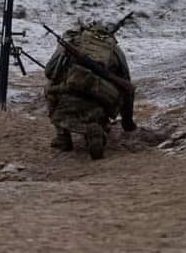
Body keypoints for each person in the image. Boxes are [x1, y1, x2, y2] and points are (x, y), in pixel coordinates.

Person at [43, 20, 136, 160]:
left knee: (48, 88)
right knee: (118, 90)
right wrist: (127, 122)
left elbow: (50, 71)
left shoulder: (72, 42)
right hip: (102, 95)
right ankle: (99, 128)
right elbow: (126, 83)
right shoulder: (114, 50)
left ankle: (63, 138)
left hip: (69, 91)